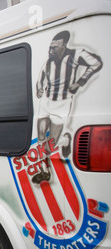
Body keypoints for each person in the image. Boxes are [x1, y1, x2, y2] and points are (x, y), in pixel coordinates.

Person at [33, 30, 102, 184]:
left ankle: (65, 139)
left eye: (55, 48)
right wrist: (39, 89)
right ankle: (45, 171)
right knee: (41, 138)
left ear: (64, 45)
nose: (51, 51)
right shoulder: (48, 61)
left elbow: (96, 63)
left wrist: (80, 82)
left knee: (52, 143)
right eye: (50, 47)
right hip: (46, 102)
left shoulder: (76, 55)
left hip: (62, 104)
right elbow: (41, 78)